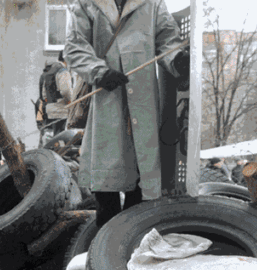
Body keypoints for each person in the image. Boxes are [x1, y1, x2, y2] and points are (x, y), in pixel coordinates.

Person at [64, 0, 189, 228]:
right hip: (105, 102)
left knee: (142, 189)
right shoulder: (86, 4)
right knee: (106, 190)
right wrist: (99, 72)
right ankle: (105, 252)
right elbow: (74, 47)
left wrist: (177, 60)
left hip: (144, 104)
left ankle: (134, 250)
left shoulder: (152, 4)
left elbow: (168, 41)